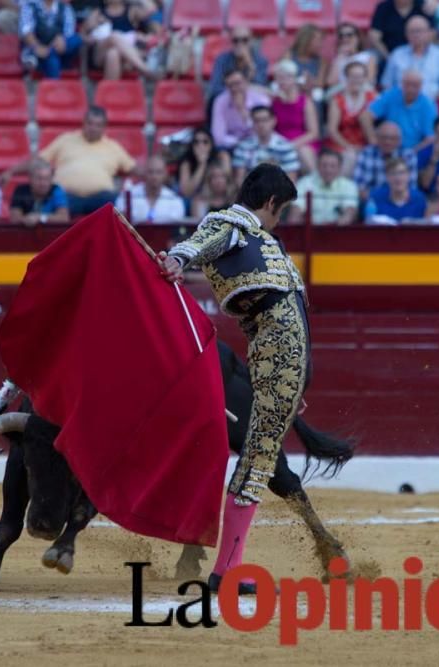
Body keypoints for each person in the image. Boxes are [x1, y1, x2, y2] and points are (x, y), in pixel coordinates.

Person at [158, 164, 308, 595]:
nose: (281, 221)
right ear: (272, 203)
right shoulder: (236, 223)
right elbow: (203, 242)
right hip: (275, 344)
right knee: (259, 456)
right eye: (282, 211)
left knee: (258, 454)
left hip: (280, 354)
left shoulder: (263, 239)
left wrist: (295, 382)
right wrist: (179, 258)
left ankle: (228, 569)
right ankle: (227, 571)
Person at [3, 107, 136, 216]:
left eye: (98, 124)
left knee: (119, 204)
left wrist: (153, 173)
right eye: (90, 123)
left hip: (101, 199)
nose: (93, 128)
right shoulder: (65, 139)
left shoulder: (113, 146)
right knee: (55, 203)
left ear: (104, 127)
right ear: (83, 123)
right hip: (67, 197)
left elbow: (132, 168)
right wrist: (12, 171)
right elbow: (39, 161)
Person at [381, 15, 439, 100]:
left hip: (431, 107)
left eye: (419, 31)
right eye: (412, 31)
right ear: (406, 34)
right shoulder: (397, 54)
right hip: (401, 106)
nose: (416, 35)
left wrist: (435, 104)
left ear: (429, 33)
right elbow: (386, 85)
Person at [80, 0, 159, 80]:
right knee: (114, 36)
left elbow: (151, 9)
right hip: (99, 54)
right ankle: (145, 69)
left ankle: (110, 91)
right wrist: (90, 38)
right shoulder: (97, 13)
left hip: (125, 58)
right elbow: (82, 34)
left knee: (113, 53)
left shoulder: (131, 11)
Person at [363, 70, 437, 150]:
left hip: (412, 151)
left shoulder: (428, 105)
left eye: (415, 85)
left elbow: (431, 138)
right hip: (386, 148)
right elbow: (365, 116)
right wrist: (373, 140)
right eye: (407, 84)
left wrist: (411, 154)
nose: (410, 89)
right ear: (402, 84)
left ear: (421, 86)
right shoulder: (392, 95)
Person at [326, 61, 378, 176]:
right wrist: (348, 146)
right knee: (350, 156)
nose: (356, 80)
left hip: (365, 144)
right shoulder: (337, 99)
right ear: (346, 77)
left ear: (365, 78)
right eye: (353, 76)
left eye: (360, 76)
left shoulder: (373, 98)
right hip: (341, 143)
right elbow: (332, 130)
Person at [271, 60, 321, 175]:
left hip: (302, 142)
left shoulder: (305, 101)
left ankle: (315, 184)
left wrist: (291, 145)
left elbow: (313, 133)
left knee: (303, 152)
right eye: (278, 78)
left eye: (285, 77)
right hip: (279, 143)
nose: (281, 81)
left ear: (294, 79)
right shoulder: (274, 101)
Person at [232, 106, 301, 182]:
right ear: (252, 122)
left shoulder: (286, 147)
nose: (261, 124)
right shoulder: (243, 147)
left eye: (265, 120)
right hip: (251, 192)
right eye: (256, 120)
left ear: (273, 121)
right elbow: (239, 180)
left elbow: (291, 181)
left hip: (279, 192)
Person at [289, 150, 359, 225]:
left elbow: (350, 211)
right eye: (324, 165)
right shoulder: (304, 183)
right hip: (310, 231)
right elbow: (296, 211)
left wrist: (345, 219)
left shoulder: (349, 185)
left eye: (332, 166)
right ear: (317, 166)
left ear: (339, 168)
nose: (328, 170)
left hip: (337, 231)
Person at [353, 121, 419, 200]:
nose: (388, 142)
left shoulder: (408, 155)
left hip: (401, 201)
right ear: (377, 138)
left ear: (399, 140)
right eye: (384, 137)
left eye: (392, 138)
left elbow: (411, 187)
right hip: (372, 201)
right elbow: (358, 187)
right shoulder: (366, 153)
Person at [210, 69, 272, 151]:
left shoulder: (261, 100)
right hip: (232, 145)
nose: (234, 88)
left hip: (257, 144)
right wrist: (240, 143)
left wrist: (242, 110)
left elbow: (264, 128)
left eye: (238, 83)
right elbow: (218, 136)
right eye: (230, 85)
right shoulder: (220, 101)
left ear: (246, 82)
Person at [19, 0, 82, 78]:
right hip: (40, 52)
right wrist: (37, 47)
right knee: (52, 59)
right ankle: (54, 88)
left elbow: (69, 32)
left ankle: (52, 52)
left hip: (61, 50)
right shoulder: (30, 6)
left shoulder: (65, 7)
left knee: (77, 39)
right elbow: (26, 32)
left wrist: (62, 39)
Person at [115, 155, 186, 223]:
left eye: (159, 172)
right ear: (144, 173)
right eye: (150, 172)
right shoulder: (126, 197)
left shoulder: (175, 200)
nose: (154, 176)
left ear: (165, 174)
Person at [207, 27, 269, 99]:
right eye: (235, 40)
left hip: (250, 100)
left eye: (245, 40)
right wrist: (235, 91)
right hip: (226, 99)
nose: (240, 44)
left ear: (251, 41)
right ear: (231, 42)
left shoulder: (260, 60)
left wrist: (249, 63)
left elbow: (261, 86)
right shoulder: (222, 60)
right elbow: (215, 87)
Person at [9, 159, 70, 226]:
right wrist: (26, 220)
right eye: (39, 178)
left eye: (47, 178)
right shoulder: (20, 191)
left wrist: (40, 218)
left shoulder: (57, 190)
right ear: (30, 178)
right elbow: (14, 218)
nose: (43, 183)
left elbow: (64, 217)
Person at [367, 157, 427, 224]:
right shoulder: (375, 197)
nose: (398, 178)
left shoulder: (420, 198)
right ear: (386, 177)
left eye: (402, 173)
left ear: (408, 175)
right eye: (393, 173)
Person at [178, 128, 232, 200]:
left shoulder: (222, 156)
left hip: (218, 196)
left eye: (205, 142)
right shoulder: (186, 162)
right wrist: (202, 164)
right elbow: (186, 192)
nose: (201, 145)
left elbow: (228, 184)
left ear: (211, 144)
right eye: (196, 142)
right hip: (195, 198)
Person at [369, 0, 434, 59]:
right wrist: (390, 58)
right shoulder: (383, 7)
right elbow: (374, 37)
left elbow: (432, 33)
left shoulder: (423, 6)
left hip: (421, 55)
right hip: (388, 55)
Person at [324, 23, 377, 92]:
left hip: (363, 93)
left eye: (349, 35)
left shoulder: (368, 57)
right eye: (341, 36)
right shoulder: (338, 58)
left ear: (357, 37)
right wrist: (340, 57)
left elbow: (370, 81)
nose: (345, 38)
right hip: (342, 95)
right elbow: (331, 83)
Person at [285, 23, 325, 92]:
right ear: (306, 40)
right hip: (292, 93)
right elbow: (283, 78)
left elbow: (320, 84)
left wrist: (310, 81)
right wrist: (301, 81)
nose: (320, 44)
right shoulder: (288, 56)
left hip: (311, 94)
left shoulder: (322, 62)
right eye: (318, 40)